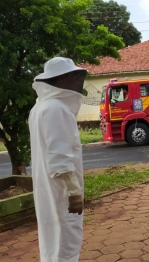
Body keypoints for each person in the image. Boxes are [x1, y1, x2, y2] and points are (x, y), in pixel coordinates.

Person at [29, 57, 87, 262]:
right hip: (61, 190)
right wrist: (74, 193)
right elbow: (59, 158)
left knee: (52, 239)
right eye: (70, 76)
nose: (74, 81)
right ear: (59, 79)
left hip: (47, 188)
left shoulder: (39, 108)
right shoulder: (56, 108)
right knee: (65, 241)